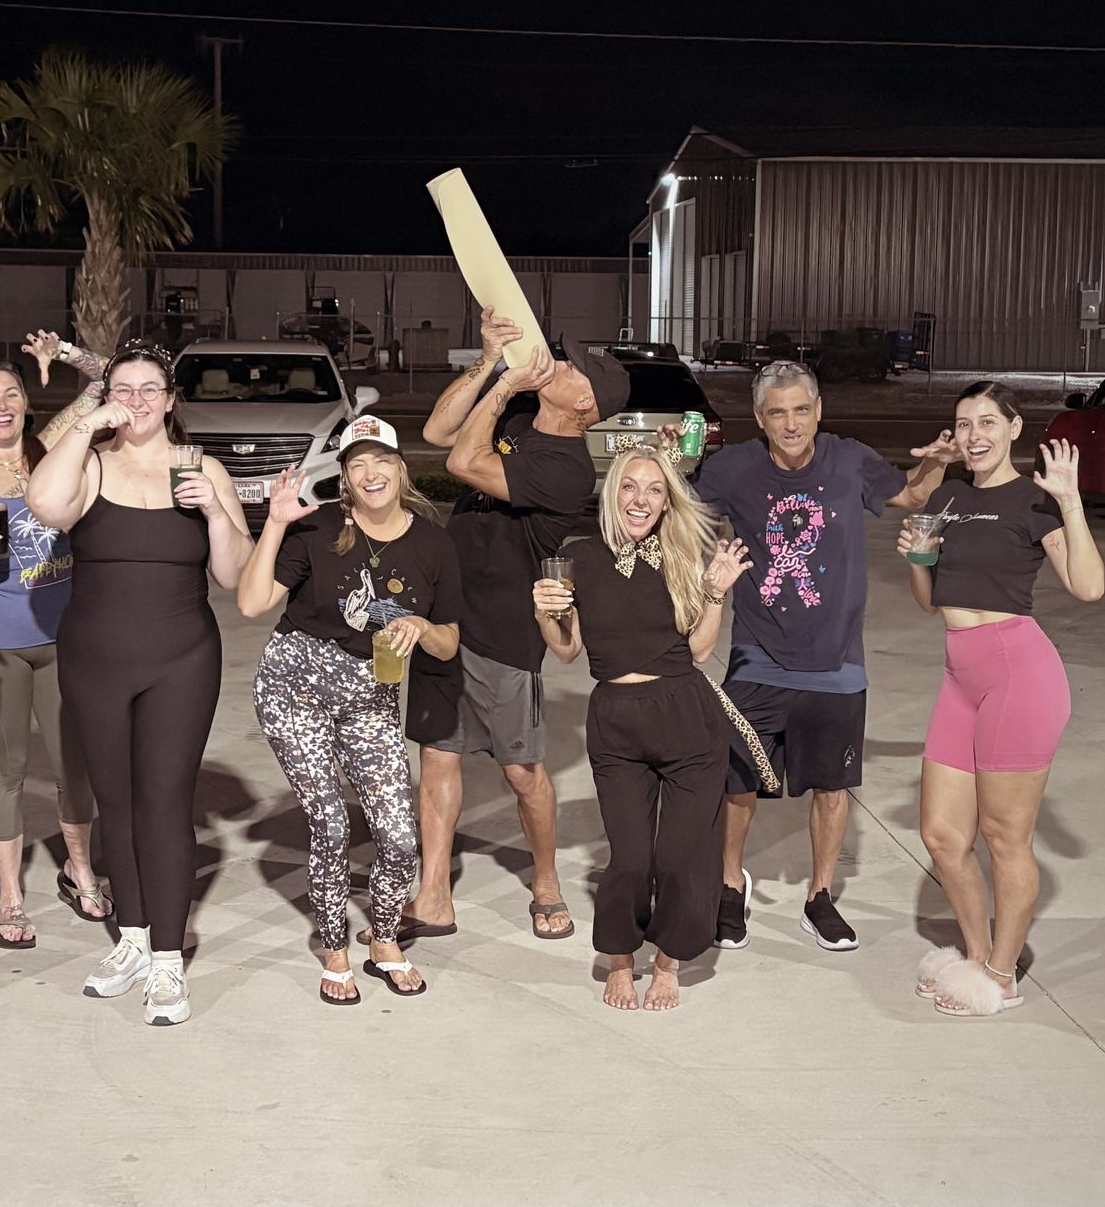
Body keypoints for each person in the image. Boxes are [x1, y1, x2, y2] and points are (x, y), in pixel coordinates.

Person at [684, 360, 961, 953]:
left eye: (801, 410)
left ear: (818, 412)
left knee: (831, 789)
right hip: (758, 653)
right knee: (737, 783)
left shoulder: (849, 458)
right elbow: (680, 509)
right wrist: (670, 461)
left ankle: (820, 897)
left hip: (837, 659)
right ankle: (730, 883)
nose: (791, 423)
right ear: (760, 419)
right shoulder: (734, 468)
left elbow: (909, 493)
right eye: (777, 413)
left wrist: (935, 461)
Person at [378, 308, 624, 945]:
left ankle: (546, 881)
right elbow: (437, 429)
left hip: (506, 630)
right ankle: (433, 895)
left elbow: (462, 462)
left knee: (521, 772)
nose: (558, 363)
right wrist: (490, 362)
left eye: (573, 368)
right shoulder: (515, 415)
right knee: (438, 757)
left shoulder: (568, 468)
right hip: (445, 617)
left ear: (585, 402)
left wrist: (510, 386)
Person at [26, 342, 254, 1027]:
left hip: (181, 658)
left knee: (164, 799)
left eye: (149, 388)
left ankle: (166, 958)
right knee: (116, 801)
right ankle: (130, 938)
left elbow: (234, 575)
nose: (137, 400)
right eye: (122, 388)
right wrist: (86, 421)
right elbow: (44, 505)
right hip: (95, 658)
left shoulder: (200, 465)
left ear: (171, 399)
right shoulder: (89, 465)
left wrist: (215, 511)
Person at [531, 446, 767, 1009]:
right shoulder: (578, 558)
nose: (641, 499)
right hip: (615, 722)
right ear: (613, 492)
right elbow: (566, 651)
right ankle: (619, 959)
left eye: (655, 490)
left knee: (683, 858)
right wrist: (545, 612)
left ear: (667, 501)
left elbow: (700, 649)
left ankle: (668, 961)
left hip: (685, 716)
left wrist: (715, 592)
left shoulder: (683, 554)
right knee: (631, 858)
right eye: (630, 487)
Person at [237, 418, 463, 1004]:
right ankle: (335, 948)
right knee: (332, 823)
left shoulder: (433, 542)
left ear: (401, 467)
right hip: (295, 687)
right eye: (357, 463)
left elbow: (449, 642)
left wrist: (420, 624)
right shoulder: (317, 529)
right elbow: (251, 601)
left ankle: (384, 938)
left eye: (381, 460)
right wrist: (276, 525)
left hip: (371, 692)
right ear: (343, 476)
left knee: (396, 834)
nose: (371, 473)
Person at [902, 384, 1104, 1017]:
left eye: (987, 421)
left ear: (1015, 429)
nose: (973, 434)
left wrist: (1070, 503)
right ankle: (981, 955)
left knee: (1003, 836)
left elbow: (1087, 586)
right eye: (963, 424)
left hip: (1019, 672)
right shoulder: (948, 496)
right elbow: (929, 599)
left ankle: (1000, 975)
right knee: (940, 835)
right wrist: (914, 558)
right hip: (960, 673)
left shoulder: (1033, 501)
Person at [0, 355, 104, 946]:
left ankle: (79, 867)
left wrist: (66, 356)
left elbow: (103, 382)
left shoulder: (47, 451)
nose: (1, 406)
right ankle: (10, 898)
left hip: (64, 638)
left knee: (72, 765)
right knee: (5, 769)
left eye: (10, 393)